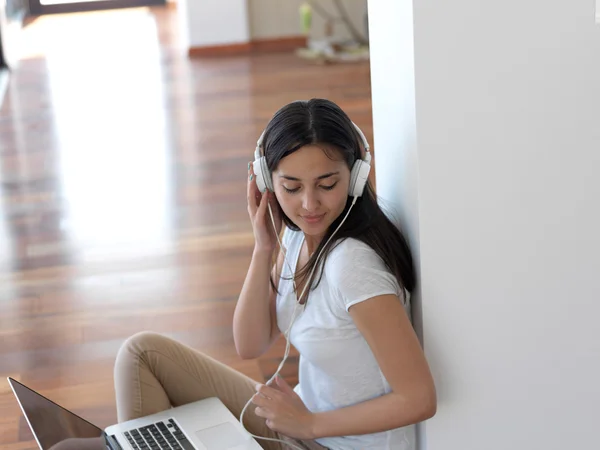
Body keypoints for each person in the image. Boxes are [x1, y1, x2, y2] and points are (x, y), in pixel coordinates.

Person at [114, 98, 436, 450]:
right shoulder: (298, 235)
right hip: (296, 424)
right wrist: (262, 247)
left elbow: (418, 399)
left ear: (356, 177)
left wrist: (310, 425)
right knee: (141, 353)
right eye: (292, 187)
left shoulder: (354, 267)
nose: (310, 205)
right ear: (267, 181)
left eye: (327, 184)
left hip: (325, 440)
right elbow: (250, 344)